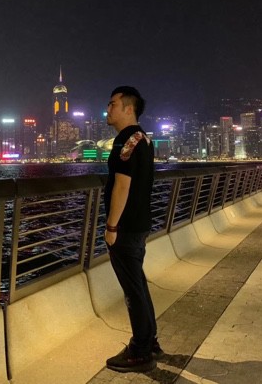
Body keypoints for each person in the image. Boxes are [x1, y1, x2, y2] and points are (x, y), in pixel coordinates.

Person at [104, 86, 163, 373]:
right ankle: (149, 341)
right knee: (138, 284)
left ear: (129, 108)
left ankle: (140, 352)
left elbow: (122, 185)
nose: (108, 109)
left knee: (133, 290)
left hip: (126, 227)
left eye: (113, 104)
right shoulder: (144, 139)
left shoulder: (125, 140)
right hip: (140, 223)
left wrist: (111, 226)